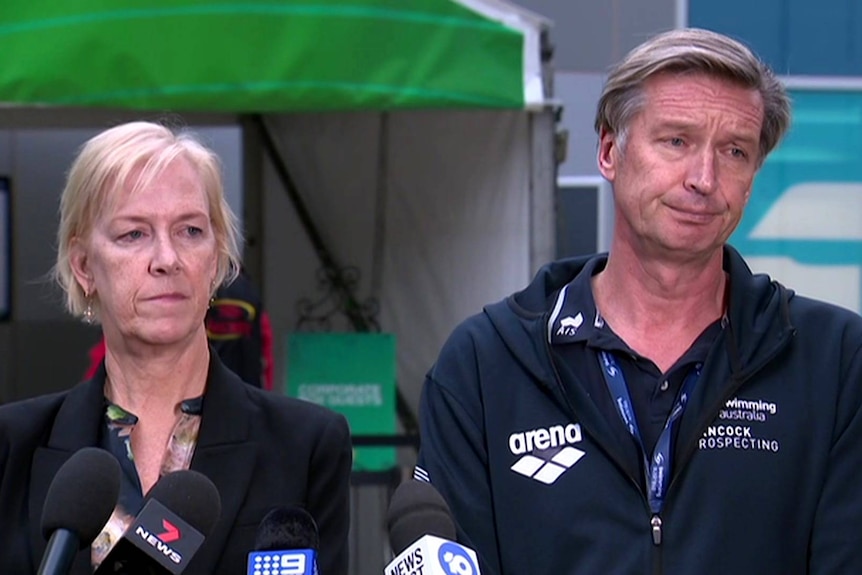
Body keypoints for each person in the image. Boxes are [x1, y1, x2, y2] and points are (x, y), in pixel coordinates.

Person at [414, 28, 862, 574]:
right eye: (676, 141)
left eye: (735, 151)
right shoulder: (487, 365)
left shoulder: (835, 361)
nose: (704, 179)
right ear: (608, 151)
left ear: (751, 180)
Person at [0, 121, 352, 574]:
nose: (168, 259)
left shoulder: (305, 446)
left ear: (217, 258)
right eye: (134, 234)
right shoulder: (13, 448)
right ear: (85, 266)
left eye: (190, 231)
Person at [83, 268, 276, 390]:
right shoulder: (249, 293)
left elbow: (108, 356)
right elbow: (265, 358)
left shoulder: (160, 297)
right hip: (242, 403)